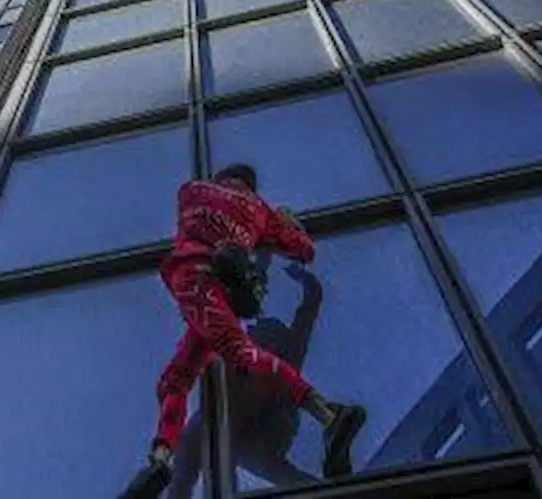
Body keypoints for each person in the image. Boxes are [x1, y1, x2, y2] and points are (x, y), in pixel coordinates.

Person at [120, 164, 366, 499]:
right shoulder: (262, 211)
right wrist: (288, 223)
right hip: (218, 292)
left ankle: (330, 415)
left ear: (222, 177)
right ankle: (158, 463)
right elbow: (304, 250)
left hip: (195, 278)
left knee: (232, 356)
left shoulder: (191, 190)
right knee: (178, 379)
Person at [166, 261, 324, 497]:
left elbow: (304, 321)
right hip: (227, 423)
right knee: (193, 448)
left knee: (261, 464)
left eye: (260, 333)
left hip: (256, 429)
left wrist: (310, 287)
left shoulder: (282, 359)